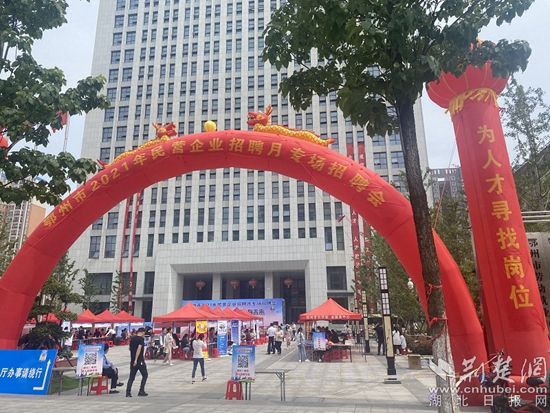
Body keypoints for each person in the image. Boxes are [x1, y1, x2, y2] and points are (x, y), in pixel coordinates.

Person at [126, 327, 148, 397]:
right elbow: (139, 349)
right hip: (139, 360)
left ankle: (128, 392)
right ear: (142, 332)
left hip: (132, 360)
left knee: (131, 377)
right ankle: (141, 391)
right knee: (145, 375)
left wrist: (133, 359)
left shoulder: (132, 339)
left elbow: (130, 348)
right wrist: (136, 359)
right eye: (144, 333)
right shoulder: (141, 339)